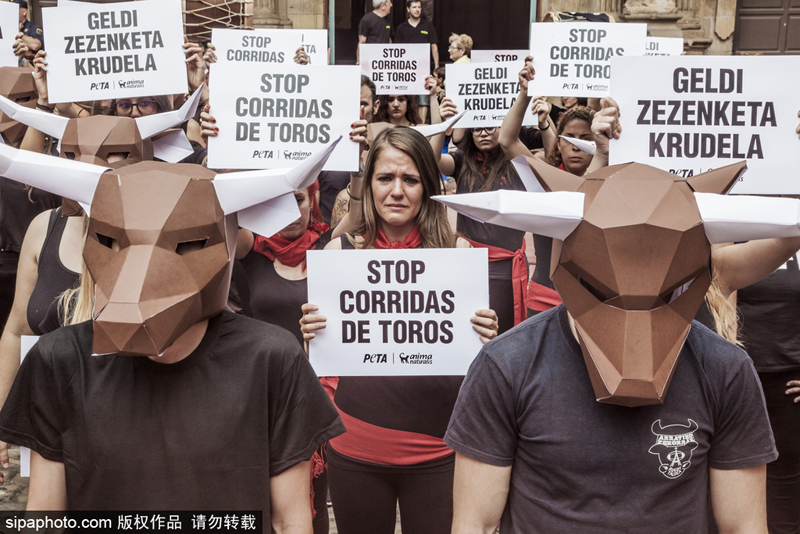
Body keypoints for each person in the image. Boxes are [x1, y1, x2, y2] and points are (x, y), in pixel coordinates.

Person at [0, 146, 346, 529]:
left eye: (184, 244)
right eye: (116, 241)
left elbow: (290, 520)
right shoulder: (59, 360)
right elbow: (46, 515)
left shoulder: (272, 359)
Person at [439, 157, 780, 534]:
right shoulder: (507, 365)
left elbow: (744, 526)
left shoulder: (725, 370)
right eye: (603, 294)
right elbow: (476, 524)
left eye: (666, 296)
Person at [300, 127, 499, 534]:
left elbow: (476, 365)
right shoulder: (339, 254)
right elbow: (322, 361)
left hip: (439, 451)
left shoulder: (458, 255)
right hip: (355, 447)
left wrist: (487, 338)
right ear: (369, 183)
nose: (396, 191)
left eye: (410, 180)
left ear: (427, 186)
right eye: (385, 178)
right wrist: (312, 334)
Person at [429, 84, 526, 334]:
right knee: (468, 328)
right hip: (468, 261)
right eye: (476, 129)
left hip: (505, 266)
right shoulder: (461, 161)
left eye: (490, 127)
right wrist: (443, 124)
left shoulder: (517, 164)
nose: (483, 133)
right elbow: (431, 160)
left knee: (502, 332)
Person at [319, 76, 379, 226]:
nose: (355, 110)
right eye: (348, 103)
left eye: (362, 104)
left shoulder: (387, 147)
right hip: (331, 241)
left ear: (376, 106)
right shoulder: (322, 150)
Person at [394, 0, 439, 123]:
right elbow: (396, 50)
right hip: (406, 69)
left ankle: (421, 125)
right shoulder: (401, 28)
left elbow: (434, 46)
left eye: (419, 7)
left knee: (423, 98)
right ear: (408, 9)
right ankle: (410, 124)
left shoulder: (428, 26)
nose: (417, 10)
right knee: (408, 97)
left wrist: (436, 66)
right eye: (414, 7)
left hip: (424, 69)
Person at [12, 0, 42, 67]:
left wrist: (19, 34)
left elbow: (35, 45)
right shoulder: (7, 28)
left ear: (24, 12)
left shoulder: (33, 27)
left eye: (15, 9)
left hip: (30, 68)